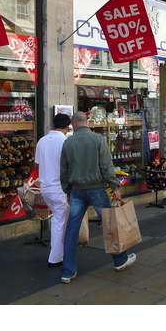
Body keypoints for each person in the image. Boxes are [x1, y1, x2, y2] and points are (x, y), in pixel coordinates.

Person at [59, 111, 136, 283]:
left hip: (77, 190)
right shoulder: (98, 139)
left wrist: (68, 191)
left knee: (72, 230)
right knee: (110, 226)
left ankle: (68, 271)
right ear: (87, 122)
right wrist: (114, 186)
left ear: (74, 124)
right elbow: (106, 166)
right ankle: (119, 260)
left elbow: (63, 170)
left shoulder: (68, 143)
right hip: (97, 189)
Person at [34, 112, 71, 267]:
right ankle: (55, 257)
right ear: (67, 126)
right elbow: (69, 167)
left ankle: (58, 254)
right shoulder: (65, 141)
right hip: (59, 188)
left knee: (57, 220)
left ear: (53, 124)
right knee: (59, 222)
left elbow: (37, 165)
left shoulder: (42, 141)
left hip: (45, 187)